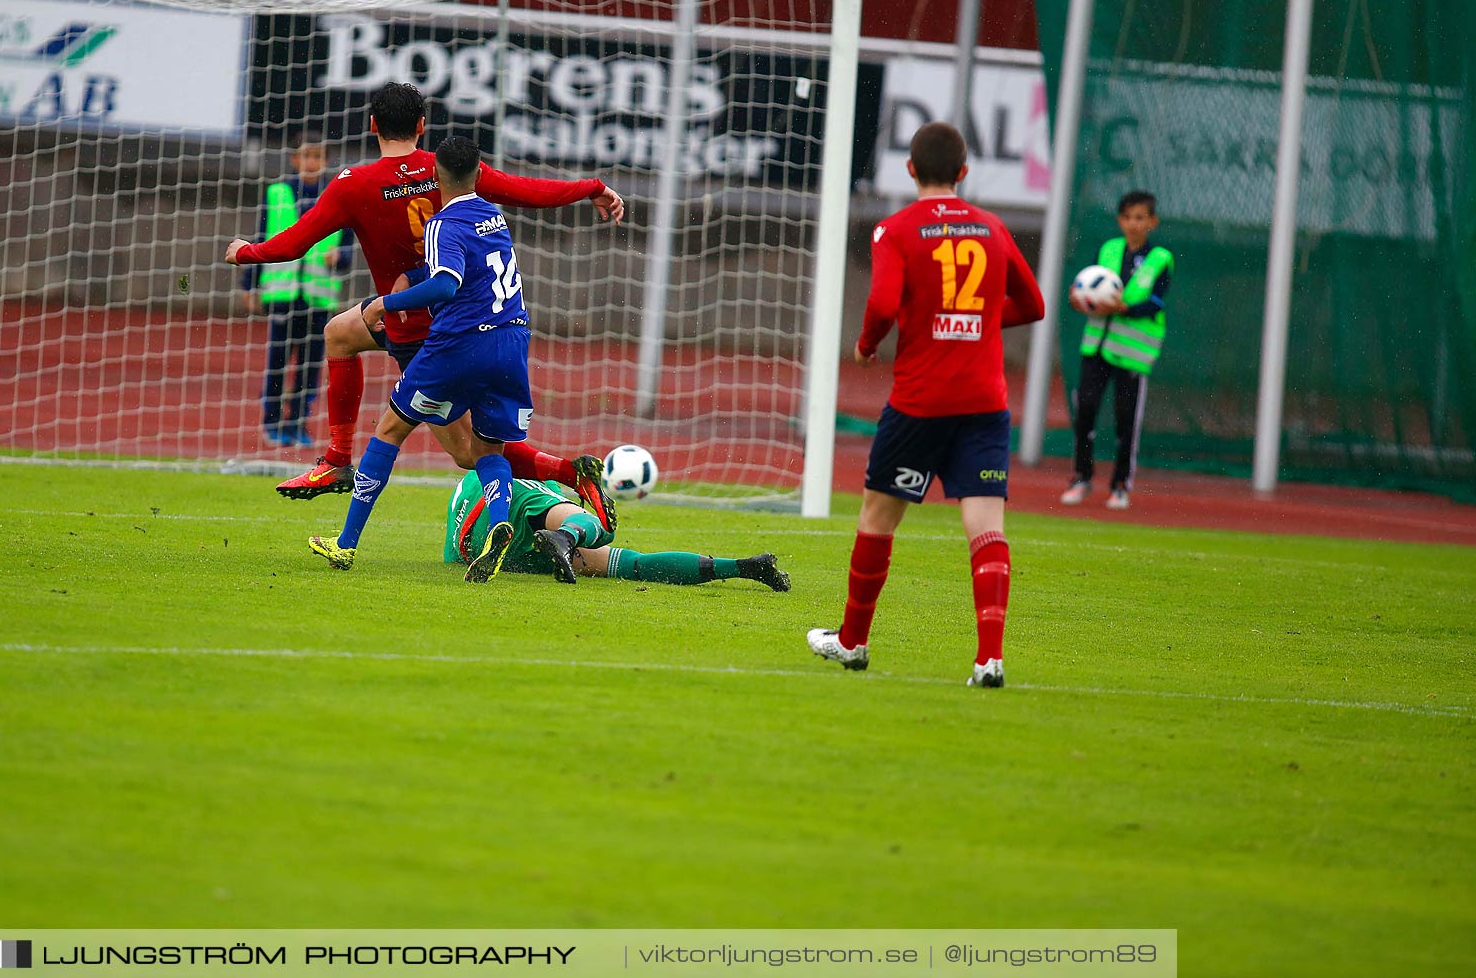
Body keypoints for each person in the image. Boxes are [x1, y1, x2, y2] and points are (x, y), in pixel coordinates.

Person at [224, 82, 624, 525]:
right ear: (421, 126)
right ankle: (337, 458)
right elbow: (528, 191)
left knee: (469, 453)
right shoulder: (447, 169)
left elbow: (293, 244)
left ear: (373, 125)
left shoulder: (353, 184)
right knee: (338, 332)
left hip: (419, 331)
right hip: (442, 313)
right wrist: (591, 187)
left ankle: (569, 472)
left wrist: (247, 252)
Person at [806, 121, 1045, 687]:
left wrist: (867, 345)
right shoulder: (992, 227)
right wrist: (976, 325)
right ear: (964, 173)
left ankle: (853, 642)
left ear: (910, 169)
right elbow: (1031, 303)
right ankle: (989, 658)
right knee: (986, 527)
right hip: (985, 402)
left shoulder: (896, 229)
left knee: (877, 519)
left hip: (920, 403)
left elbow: (884, 301)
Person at [305, 137, 536, 581]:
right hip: (511, 340)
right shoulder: (494, 215)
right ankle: (500, 521)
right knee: (487, 448)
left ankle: (346, 544)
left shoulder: (441, 224)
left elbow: (446, 284)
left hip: (458, 344)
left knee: (390, 429)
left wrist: (384, 305)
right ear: (479, 172)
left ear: (436, 175)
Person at [440, 468, 791, 590]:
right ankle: (565, 537)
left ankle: (745, 567)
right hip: (503, 503)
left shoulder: (478, 476)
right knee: (599, 533)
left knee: (619, 565)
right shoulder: (528, 483)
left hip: (466, 544)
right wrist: (584, 499)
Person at [1060, 191, 1173, 512]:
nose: (1133, 224)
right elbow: (1092, 286)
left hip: (1132, 352)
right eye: (1128, 217)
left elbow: (1157, 302)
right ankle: (1082, 476)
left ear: (1152, 222)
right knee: (1086, 410)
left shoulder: (1161, 258)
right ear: (1120, 219)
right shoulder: (1109, 249)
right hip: (1095, 346)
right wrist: (1080, 298)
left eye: (1140, 218)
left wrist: (1126, 308)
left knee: (1126, 421)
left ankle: (1121, 484)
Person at [238, 134, 343, 446]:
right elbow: (261, 238)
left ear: (325, 161)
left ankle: (297, 422)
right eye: (306, 157)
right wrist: (250, 284)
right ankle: (271, 422)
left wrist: (340, 257)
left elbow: (348, 246)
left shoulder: (335, 196)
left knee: (310, 366)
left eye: (317, 157)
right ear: (295, 160)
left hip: (318, 295)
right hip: (283, 294)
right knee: (278, 360)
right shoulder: (278, 194)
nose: (311, 163)